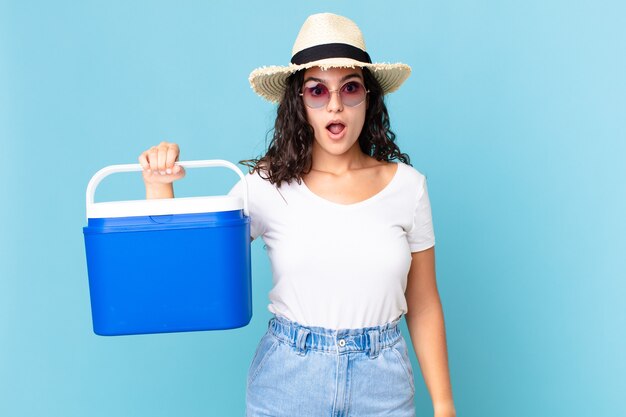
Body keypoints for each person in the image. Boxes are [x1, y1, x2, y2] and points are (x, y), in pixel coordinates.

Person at [138, 13, 455, 417]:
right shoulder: (267, 185)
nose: (335, 104)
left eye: (350, 88)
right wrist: (158, 185)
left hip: (383, 387)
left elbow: (424, 301)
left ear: (369, 97)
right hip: (288, 383)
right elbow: (185, 269)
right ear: (299, 102)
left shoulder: (408, 187)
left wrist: (445, 406)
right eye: (317, 90)